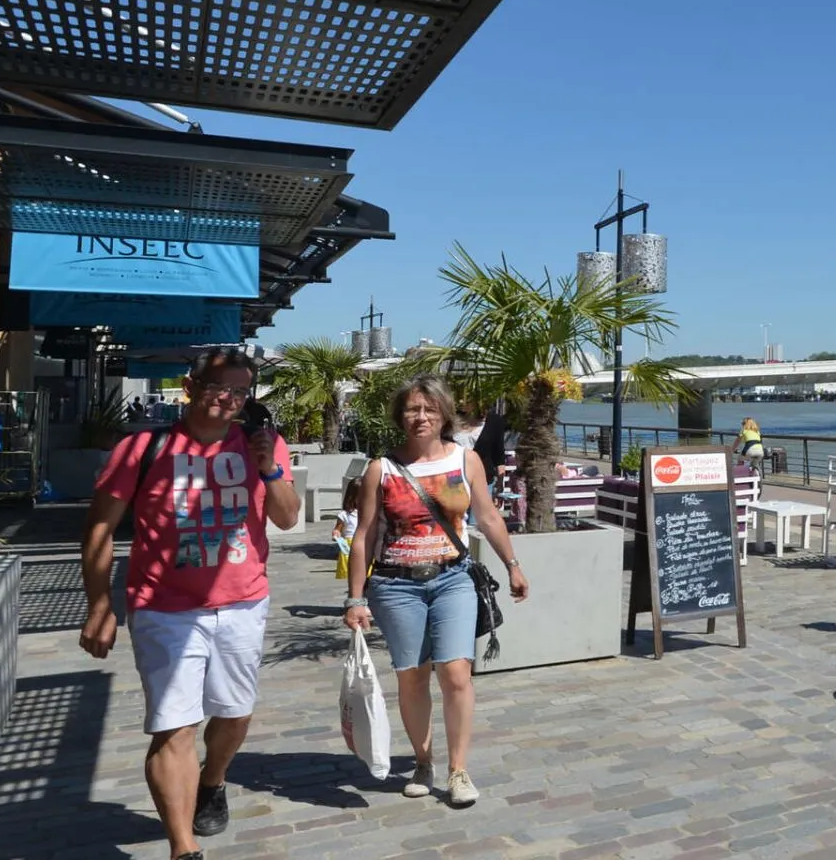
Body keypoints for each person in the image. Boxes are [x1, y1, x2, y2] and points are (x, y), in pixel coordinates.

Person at [78, 348, 301, 860]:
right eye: (221, 387)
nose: (231, 400)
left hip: (243, 603)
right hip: (164, 606)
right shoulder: (143, 447)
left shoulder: (260, 444)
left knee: (235, 714)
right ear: (190, 386)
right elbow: (98, 528)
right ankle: (184, 847)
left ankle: (213, 780)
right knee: (174, 726)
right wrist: (99, 604)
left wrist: (268, 468)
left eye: (242, 392)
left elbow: (287, 519)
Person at [344, 375, 531, 807]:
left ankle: (458, 770)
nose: (421, 417)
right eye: (412, 409)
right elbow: (364, 536)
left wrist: (513, 565)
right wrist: (355, 598)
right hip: (395, 586)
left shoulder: (465, 461)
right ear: (400, 416)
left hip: (453, 578)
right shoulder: (382, 469)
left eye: (429, 409)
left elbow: (487, 517)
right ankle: (423, 761)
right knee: (412, 676)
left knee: (455, 673)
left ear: (444, 413)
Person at [331, 477, 364, 581]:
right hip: (348, 546)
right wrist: (336, 534)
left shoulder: (368, 513)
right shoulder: (345, 515)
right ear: (353, 497)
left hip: (364, 545)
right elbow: (338, 529)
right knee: (351, 574)